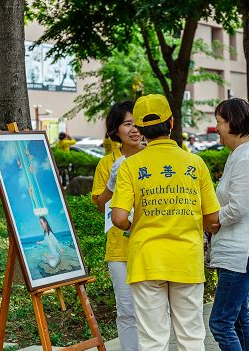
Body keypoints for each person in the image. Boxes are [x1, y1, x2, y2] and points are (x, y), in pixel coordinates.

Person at [110, 94, 220, 350]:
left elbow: (118, 218)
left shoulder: (130, 166)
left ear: (140, 129)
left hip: (147, 260)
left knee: (152, 340)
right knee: (191, 336)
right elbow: (212, 217)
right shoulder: (196, 163)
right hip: (187, 259)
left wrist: (132, 227)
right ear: (171, 123)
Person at [207, 98, 249, 351]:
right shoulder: (239, 155)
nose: (217, 128)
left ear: (233, 123)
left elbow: (238, 207)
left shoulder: (245, 158)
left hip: (239, 255)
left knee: (220, 323)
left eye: (219, 122)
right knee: (240, 321)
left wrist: (213, 220)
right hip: (234, 253)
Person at [91, 101, 143, 351]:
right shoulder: (107, 163)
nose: (134, 129)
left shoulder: (152, 158)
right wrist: (112, 181)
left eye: (138, 123)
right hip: (120, 249)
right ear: (116, 130)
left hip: (151, 247)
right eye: (127, 123)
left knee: (155, 310)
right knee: (126, 310)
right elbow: (102, 206)